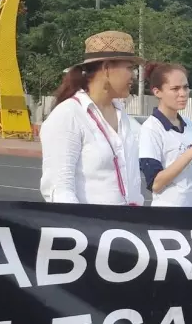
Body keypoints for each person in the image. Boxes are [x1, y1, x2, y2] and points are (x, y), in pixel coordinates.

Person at [40, 31, 145, 206]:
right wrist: (84, 229)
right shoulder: (69, 115)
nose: (133, 76)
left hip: (128, 228)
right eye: (129, 68)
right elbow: (60, 190)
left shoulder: (123, 116)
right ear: (106, 69)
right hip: (91, 230)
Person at [139, 62, 192, 207]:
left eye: (185, 87)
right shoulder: (151, 129)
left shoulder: (188, 124)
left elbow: (189, 168)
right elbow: (155, 184)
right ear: (157, 92)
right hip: (172, 217)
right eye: (175, 89)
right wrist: (191, 153)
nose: (183, 93)